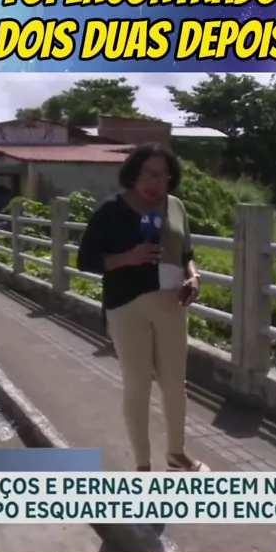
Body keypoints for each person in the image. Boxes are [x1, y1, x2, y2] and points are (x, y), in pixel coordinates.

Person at [77, 143, 209, 473]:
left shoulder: (176, 207)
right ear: (134, 172)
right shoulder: (111, 210)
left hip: (171, 305)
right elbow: (86, 260)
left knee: (175, 385)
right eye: (150, 173)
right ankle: (142, 464)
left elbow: (186, 252)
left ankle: (176, 453)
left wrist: (193, 275)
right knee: (138, 385)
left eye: (164, 176)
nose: (156, 182)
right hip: (127, 307)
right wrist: (128, 258)